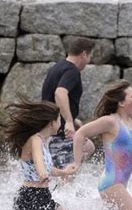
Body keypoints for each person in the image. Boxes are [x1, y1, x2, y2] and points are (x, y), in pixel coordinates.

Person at [71, 80, 132, 210]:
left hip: (121, 184)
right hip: (111, 183)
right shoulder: (110, 121)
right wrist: (76, 162)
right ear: (121, 103)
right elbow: (80, 134)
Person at [3, 98, 76, 210]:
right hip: (31, 197)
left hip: (39, 196)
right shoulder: (35, 139)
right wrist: (42, 172)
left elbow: (47, 168)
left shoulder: (43, 140)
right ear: (52, 122)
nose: (61, 122)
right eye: (60, 119)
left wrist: (64, 172)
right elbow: (38, 161)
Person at [41, 37, 96, 169]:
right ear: (83, 54)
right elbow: (59, 93)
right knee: (66, 179)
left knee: (88, 147)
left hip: (51, 127)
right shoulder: (72, 71)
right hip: (59, 132)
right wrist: (69, 122)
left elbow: (50, 98)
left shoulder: (57, 66)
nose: (89, 61)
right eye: (90, 56)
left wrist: (72, 119)